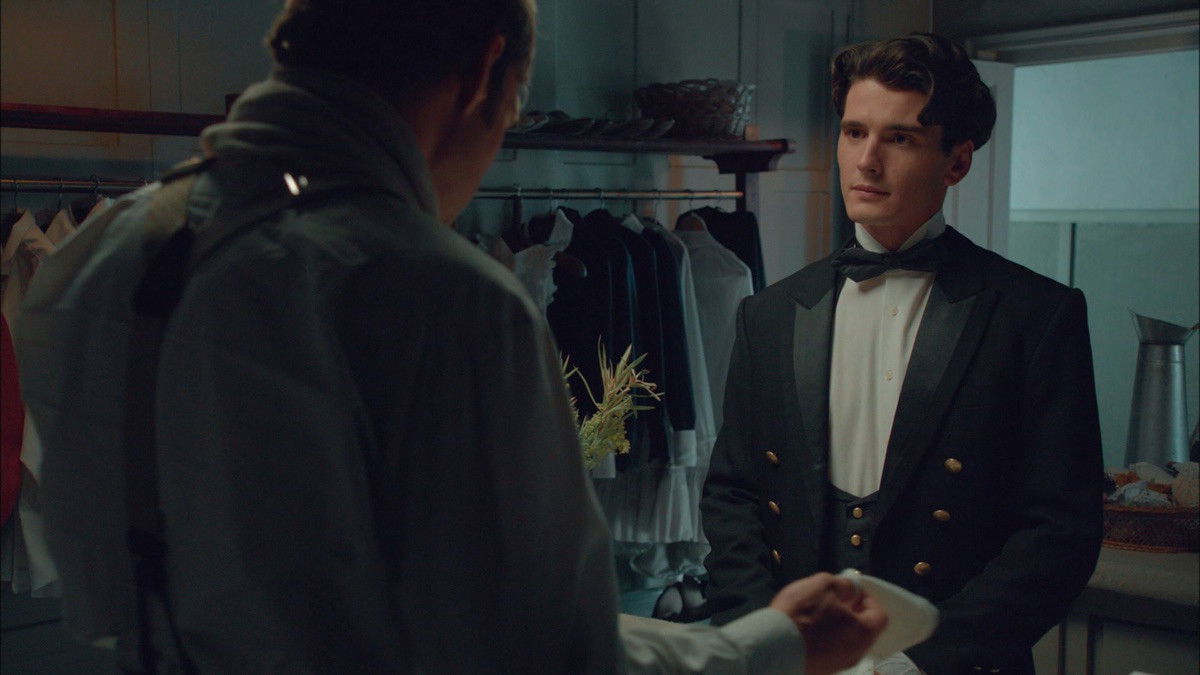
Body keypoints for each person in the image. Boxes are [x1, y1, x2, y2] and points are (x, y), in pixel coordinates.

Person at [11, 0, 886, 672]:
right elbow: (545, 657)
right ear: (482, 75)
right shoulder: (441, 299)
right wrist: (770, 646)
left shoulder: (93, 259)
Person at [700, 33, 1104, 674]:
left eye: (900, 138)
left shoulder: (1036, 315)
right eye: (854, 132)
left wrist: (918, 664)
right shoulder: (770, 313)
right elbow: (735, 497)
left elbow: (1060, 532)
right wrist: (766, 644)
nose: (866, 161)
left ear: (957, 161)